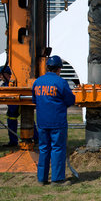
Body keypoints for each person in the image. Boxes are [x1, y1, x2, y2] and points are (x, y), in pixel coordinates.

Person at [32, 55, 75, 186]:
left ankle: (42, 179)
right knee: (57, 149)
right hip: (57, 121)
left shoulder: (37, 82)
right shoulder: (61, 82)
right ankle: (57, 179)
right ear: (59, 69)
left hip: (42, 121)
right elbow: (70, 100)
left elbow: (35, 100)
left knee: (43, 149)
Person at [0, 66, 19, 147]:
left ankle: (35, 138)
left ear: (6, 74)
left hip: (17, 105)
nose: (0, 77)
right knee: (11, 122)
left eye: (1, 75)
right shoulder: (5, 84)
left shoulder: (13, 82)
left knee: (27, 120)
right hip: (12, 106)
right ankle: (13, 142)